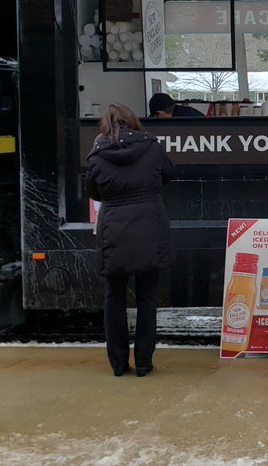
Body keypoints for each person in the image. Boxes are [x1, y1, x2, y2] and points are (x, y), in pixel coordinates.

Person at [86, 103, 174, 377]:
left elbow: (94, 192)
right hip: (150, 225)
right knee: (147, 298)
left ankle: (118, 363)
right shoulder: (152, 147)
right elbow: (169, 175)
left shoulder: (98, 155)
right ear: (132, 121)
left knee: (114, 298)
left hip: (115, 230)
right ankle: (144, 363)